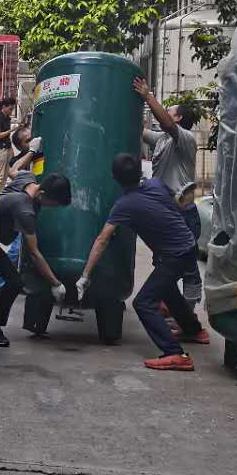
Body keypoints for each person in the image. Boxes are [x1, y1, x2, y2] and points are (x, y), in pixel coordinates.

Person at [76, 153, 209, 372]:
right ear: (140, 171)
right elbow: (176, 204)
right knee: (166, 289)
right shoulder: (156, 184)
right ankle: (194, 330)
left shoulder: (124, 205)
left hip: (174, 255)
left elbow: (102, 239)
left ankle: (175, 354)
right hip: (187, 245)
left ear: (114, 178)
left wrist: (85, 276)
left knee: (144, 303)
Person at [134, 77, 202, 303]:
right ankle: (169, 307)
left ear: (178, 118)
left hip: (183, 213)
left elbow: (167, 124)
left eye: (170, 110)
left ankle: (189, 313)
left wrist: (148, 96)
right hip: (164, 212)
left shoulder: (185, 138)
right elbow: (140, 131)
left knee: (188, 267)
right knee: (163, 264)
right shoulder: (162, 139)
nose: (164, 112)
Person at [0, 172, 73, 347]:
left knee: (14, 281)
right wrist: (55, 284)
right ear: (42, 194)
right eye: (52, 204)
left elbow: (14, 170)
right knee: (13, 282)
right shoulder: (25, 210)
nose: (52, 208)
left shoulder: (27, 178)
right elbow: (34, 253)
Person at [0, 96, 17, 192]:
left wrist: (11, 149)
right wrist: (11, 130)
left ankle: (1, 193)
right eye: (10, 109)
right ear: (4, 107)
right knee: (1, 176)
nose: (11, 111)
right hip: (0, 149)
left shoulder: (7, 118)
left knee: (6, 174)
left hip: (7, 148)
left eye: (12, 109)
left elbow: (7, 136)